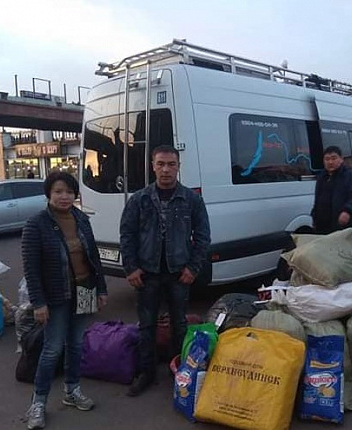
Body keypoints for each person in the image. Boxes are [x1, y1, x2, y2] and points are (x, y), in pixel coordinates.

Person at [120, 145, 210, 397]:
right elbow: (127, 235)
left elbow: (203, 237)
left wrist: (193, 268)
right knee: (146, 325)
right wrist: (131, 268)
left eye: (171, 164)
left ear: (179, 166)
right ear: (153, 166)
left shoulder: (191, 200)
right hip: (147, 273)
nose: (166, 169)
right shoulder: (139, 199)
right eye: (160, 164)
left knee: (179, 324)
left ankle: (179, 370)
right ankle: (146, 373)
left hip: (178, 273)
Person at [21, 171, 108, 430]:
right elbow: (31, 268)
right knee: (52, 349)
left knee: (76, 345)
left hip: (84, 290)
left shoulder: (81, 218)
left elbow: (93, 257)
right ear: (49, 193)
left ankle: (72, 391)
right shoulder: (36, 224)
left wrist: (101, 289)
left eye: (69, 192)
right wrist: (38, 303)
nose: (64, 197)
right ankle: (38, 403)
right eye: (58, 191)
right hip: (56, 296)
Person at [311, 146, 352, 234]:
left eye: (334, 158)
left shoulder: (350, 175)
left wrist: (347, 211)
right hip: (322, 226)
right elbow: (317, 199)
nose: (330, 162)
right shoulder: (321, 177)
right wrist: (314, 216)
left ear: (341, 159)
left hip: (342, 226)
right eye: (327, 159)